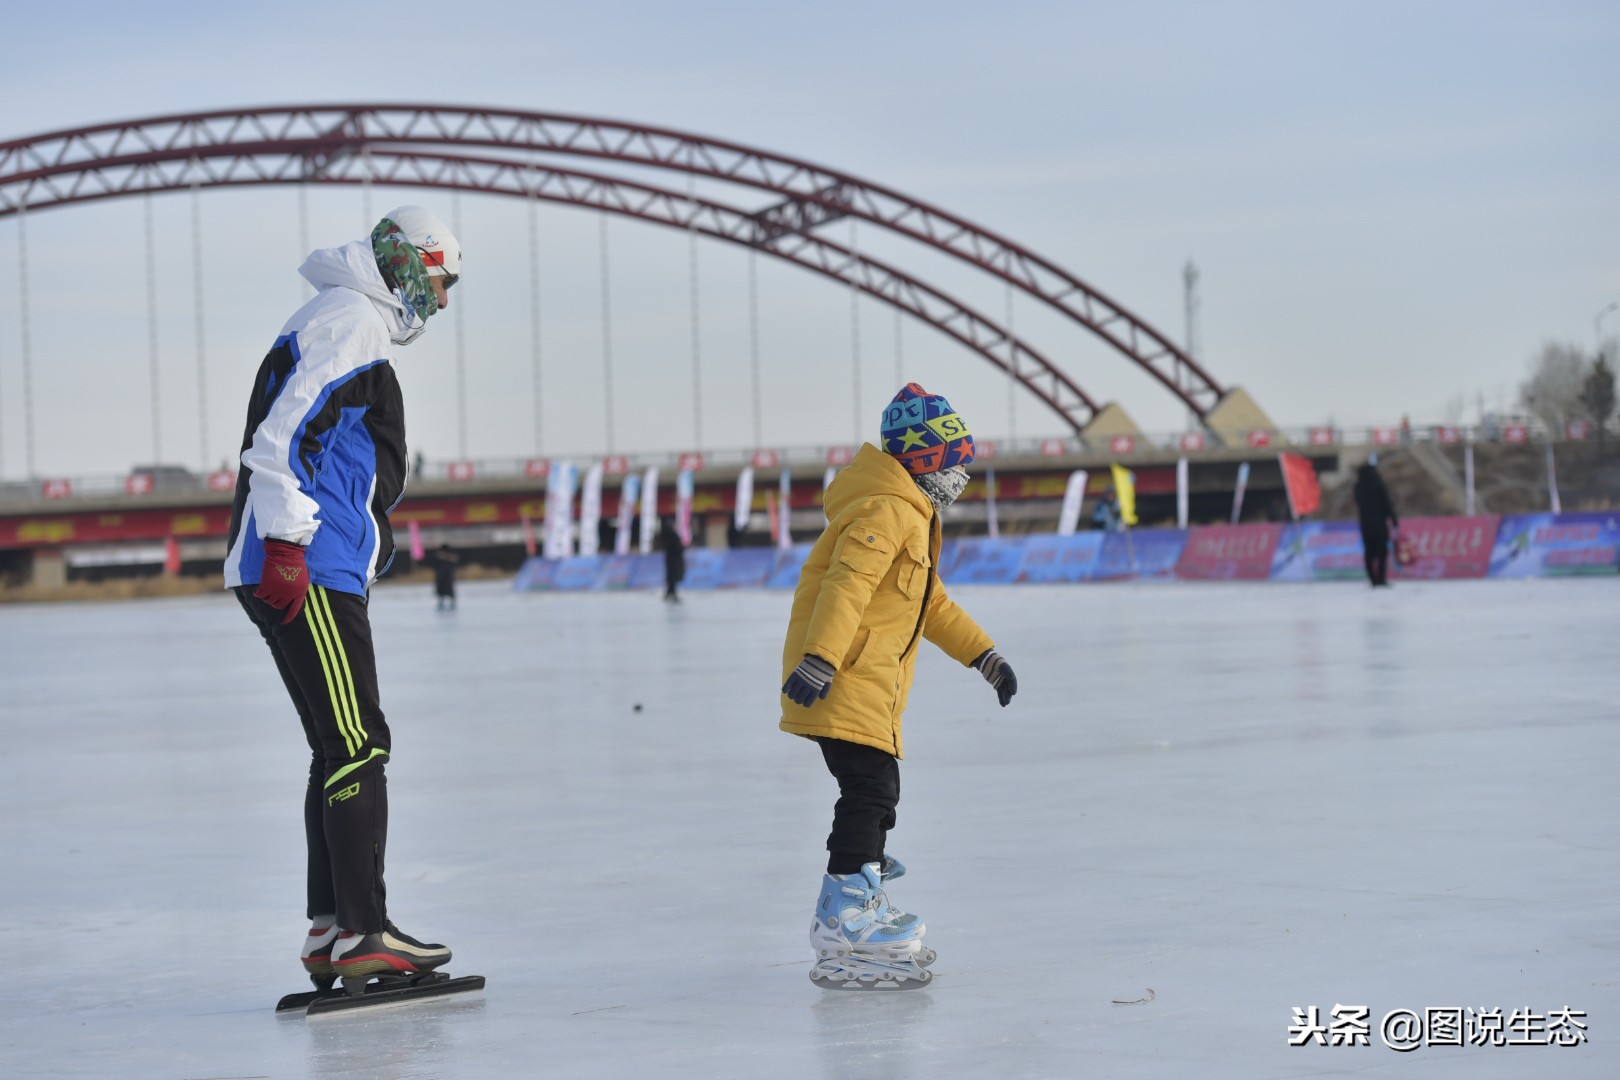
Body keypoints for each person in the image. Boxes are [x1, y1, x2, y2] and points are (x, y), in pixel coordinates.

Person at [223, 205, 462, 990]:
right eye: (437, 278)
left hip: (311, 560)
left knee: (338, 744)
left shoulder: (340, 317)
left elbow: (336, 450)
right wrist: (292, 543)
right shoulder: (352, 317)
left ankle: (332, 928)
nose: (443, 299)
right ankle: (364, 933)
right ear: (402, 261)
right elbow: (281, 435)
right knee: (360, 743)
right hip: (306, 565)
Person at [779, 383, 1019, 991]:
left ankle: (863, 888)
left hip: (866, 684)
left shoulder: (910, 513)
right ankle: (844, 914)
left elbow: (931, 604)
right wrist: (821, 659)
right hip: (843, 679)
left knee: (877, 790)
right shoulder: (887, 510)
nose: (963, 472)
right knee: (871, 790)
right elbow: (847, 584)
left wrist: (983, 656)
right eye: (957, 459)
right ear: (926, 458)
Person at [1353, 452, 1400, 586]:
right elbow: (1387, 503)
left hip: (1365, 524)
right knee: (1382, 553)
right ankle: (1381, 578)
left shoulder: (1358, 487)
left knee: (1369, 553)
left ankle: (1373, 579)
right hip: (1380, 524)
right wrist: (1393, 519)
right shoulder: (1378, 484)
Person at [660, 517, 685, 602]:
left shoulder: (668, 535)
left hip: (671, 560)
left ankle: (669, 593)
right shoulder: (673, 535)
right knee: (673, 578)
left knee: (672, 578)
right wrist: (682, 548)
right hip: (674, 561)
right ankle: (672, 593)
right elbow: (677, 548)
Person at [432, 543, 460, 611]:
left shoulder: (450, 557)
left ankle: (452, 604)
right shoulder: (439, 558)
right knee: (441, 594)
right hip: (441, 578)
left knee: (450, 592)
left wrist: (447, 557)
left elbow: (455, 561)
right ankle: (441, 603)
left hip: (448, 578)